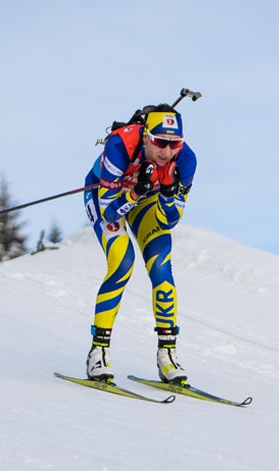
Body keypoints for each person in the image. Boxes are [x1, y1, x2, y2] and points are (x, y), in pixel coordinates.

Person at [83, 104, 197, 384]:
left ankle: (166, 356)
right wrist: (134, 192)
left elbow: (170, 220)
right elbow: (109, 212)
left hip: (146, 200)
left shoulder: (186, 161)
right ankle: (98, 352)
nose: (166, 152)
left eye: (174, 144)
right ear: (146, 136)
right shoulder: (120, 147)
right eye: (159, 142)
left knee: (162, 272)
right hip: (106, 196)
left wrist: (169, 194)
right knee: (122, 263)